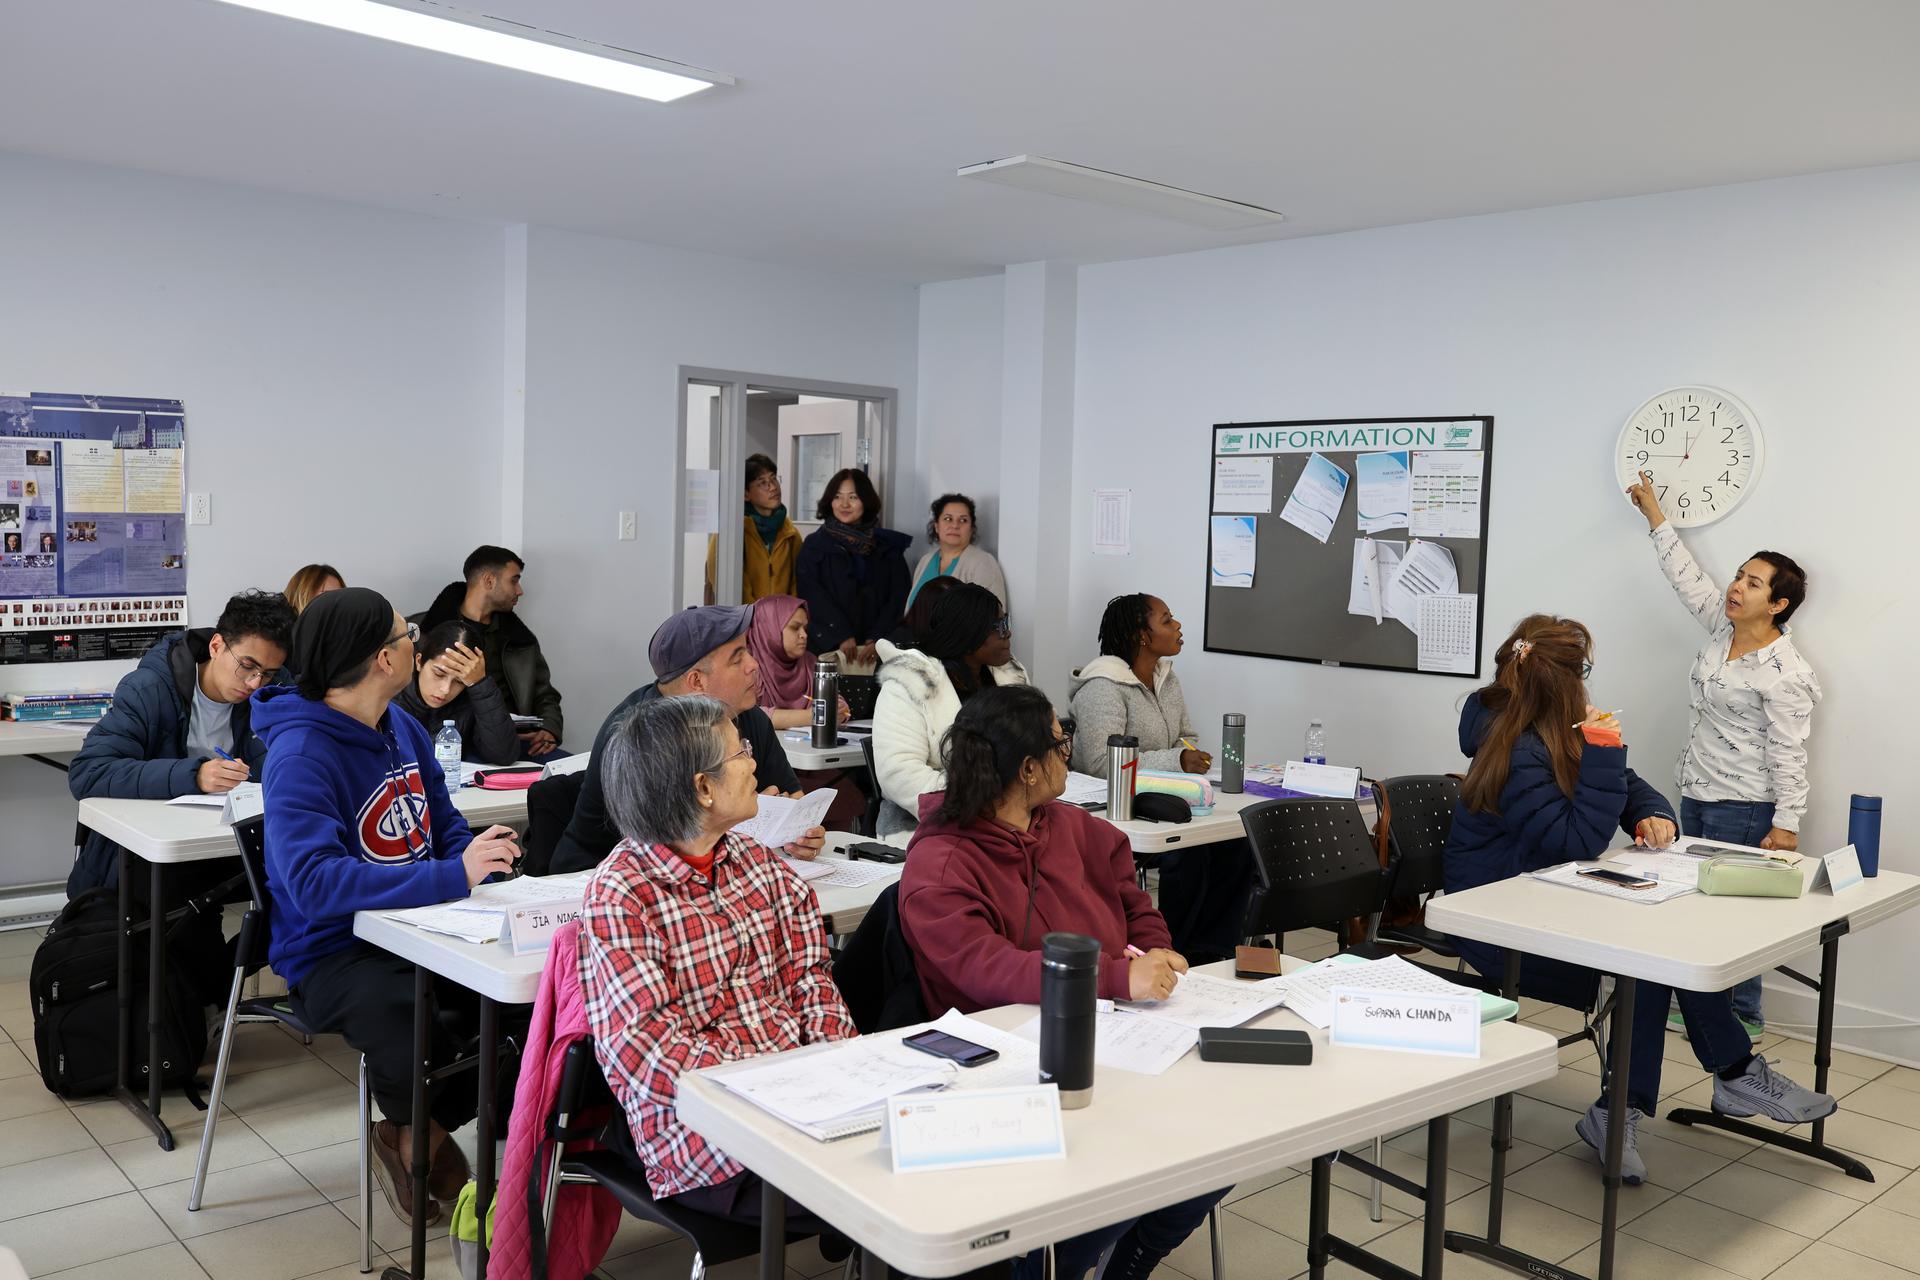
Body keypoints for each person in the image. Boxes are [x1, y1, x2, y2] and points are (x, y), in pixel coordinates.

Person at [1444, 613, 1834, 1184]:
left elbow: (1630, 791)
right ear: (1566, 683)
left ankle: (1708, 1082)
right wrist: (1604, 749)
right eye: (1584, 674)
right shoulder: (1518, 750)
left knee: (1664, 948)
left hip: (1544, 899)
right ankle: (1693, 1086)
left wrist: (1651, 813)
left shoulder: (1547, 728)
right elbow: (1577, 841)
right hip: (1496, 925)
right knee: (1646, 966)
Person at [899, 685, 1226, 1280]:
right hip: (1008, 1054)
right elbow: (988, 969)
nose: (1067, 753)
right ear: (1028, 769)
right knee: (1127, 1162)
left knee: (1220, 1140)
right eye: (1059, 742)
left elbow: (1131, 898)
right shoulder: (941, 863)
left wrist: (1154, 946)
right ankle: (1056, 1265)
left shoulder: (1071, 825)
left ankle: (1130, 1260)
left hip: (1112, 1031)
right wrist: (1117, 977)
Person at [253, 587, 522, 1228]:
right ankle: (418, 1137)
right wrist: (449, 875)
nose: (415, 644)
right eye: (408, 635)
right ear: (383, 659)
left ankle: (413, 1131)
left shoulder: (399, 724)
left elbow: (442, 821)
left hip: (422, 925)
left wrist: (477, 861)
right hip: (334, 950)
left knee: (521, 1003)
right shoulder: (301, 754)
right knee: (410, 1012)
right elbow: (314, 884)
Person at [578, 694, 858, 1229]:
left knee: (939, 1168)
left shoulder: (759, 863)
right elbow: (646, 1051)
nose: (754, 764)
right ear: (703, 788)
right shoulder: (623, 893)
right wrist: (774, 1084)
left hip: (808, 1103)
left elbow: (811, 979)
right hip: (709, 1139)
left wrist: (834, 1071)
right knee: (895, 1199)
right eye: (740, 753)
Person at [1627, 471, 1819, 1038]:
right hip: (1696, 792)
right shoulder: (1721, 627)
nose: (1737, 587)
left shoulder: (1786, 672)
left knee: (1737, 914)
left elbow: (1790, 752)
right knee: (1695, 901)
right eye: (1739, 575)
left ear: (1778, 604)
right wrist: (1655, 515)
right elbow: (1685, 577)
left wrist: (1787, 824)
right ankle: (1704, 1008)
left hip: (1746, 806)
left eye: (1753, 584)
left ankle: (1745, 1017)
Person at [550, 605, 825, 873]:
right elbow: (670, 844)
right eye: (737, 658)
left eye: (749, 651)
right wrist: (750, 824)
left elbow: (794, 803)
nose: (754, 665)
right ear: (696, 682)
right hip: (598, 875)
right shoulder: (641, 733)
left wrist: (801, 836)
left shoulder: (749, 717)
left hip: (710, 874)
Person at [68, 589, 296, 896]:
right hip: (150, 857)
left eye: (266, 673)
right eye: (246, 665)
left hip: (231, 846)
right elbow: (88, 773)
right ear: (216, 646)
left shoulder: (276, 692)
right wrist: (195, 776)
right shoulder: (150, 688)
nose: (255, 683)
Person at [1070, 593, 1251, 965]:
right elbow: (1102, 763)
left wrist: (1188, 753)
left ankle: (1213, 949)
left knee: (1236, 841)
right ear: (1141, 635)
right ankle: (1173, 948)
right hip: (1114, 807)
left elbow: (1185, 735)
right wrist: (1176, 760)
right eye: (1166, 620)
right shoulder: (1102, 686)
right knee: (1187, 849)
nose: (1177, 625)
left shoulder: (1166, 678)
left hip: (1166, 798)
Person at [871, 584, 1027, 836]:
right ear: (969, 633)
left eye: (1005, 622)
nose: (1007, 633)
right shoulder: (908, 685)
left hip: (1008, 816)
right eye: (998, 626)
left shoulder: (1010, 678)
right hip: (926, 826)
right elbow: (899, 775)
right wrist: (984, 799)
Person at [419, 546, 564, 758]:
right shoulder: (423, 631)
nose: (520, 590)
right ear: (489, 581)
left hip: (510, 741)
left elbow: (544, 693)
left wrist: (550, 727)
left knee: (575, 770)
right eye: (514, 580)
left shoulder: (520, 639)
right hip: (449, 741)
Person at [796, 468, 910, 666]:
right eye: (837, 497)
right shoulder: (814, 545)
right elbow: (811, 594)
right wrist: (841, 634)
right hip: (827, 647)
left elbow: (898, 597)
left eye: (853, 497)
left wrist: (877, 638)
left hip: (876, 651)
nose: (844, 504)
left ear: (866, 500)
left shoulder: (887, 547)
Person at [394, 620, 521, 765]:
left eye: (459, 681)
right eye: (439, 674)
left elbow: (505, 755)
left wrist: (480, 684)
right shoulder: (390, 694)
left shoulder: (472, 695)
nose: (445, 689)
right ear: (419, 661)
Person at [740, 594, 848, 732]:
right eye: (795, 627)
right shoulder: (747, 664)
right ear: (769, 628)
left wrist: (839, 709)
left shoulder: (809, 662)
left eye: (805, 628)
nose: (804, 635)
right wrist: (814, 716)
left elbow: (833, 700)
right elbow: (747, 715)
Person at [706, 452, 802, 604]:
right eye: (762, 483)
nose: (772, 487)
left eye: (773, 479)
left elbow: (798, 582)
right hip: (744, 616)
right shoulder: (732, 532)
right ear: (746, 494)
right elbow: (723, 581)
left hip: (784, 617)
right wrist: (754, 614)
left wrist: (789, 612)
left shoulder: (790, 533)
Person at [906, 492, 1008, 610]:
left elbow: (993, 613)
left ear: (972, 528)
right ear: (936, 526)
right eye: (948, 519)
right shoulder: (925, 560)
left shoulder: (983, 563)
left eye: (963, 520)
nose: (955, 525)